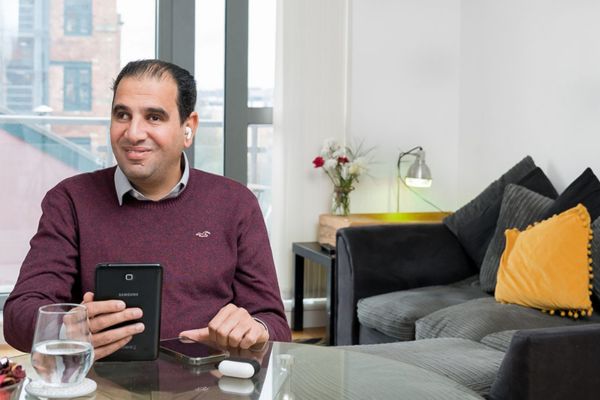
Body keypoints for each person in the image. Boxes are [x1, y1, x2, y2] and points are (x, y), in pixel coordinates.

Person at [3, 59, 291, 359]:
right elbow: (17, 318)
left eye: (154, 117)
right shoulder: (70, 200)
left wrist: (254, 327)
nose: (133, 133)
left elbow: (274, 324)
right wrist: (66, 329)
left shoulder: (236, 203)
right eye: (122, 115)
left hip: (212, 384)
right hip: (101, 388)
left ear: (188, 128)